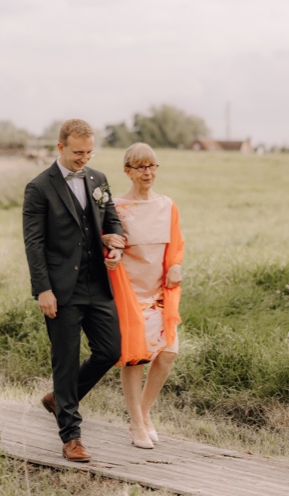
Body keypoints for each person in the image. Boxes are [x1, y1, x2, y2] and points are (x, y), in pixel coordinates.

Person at [23, 119, 126, 462]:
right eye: (78, 152)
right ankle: (71, 436)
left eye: (89, 151)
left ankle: (58, 399)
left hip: (98, 283)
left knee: (110, 350)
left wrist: (116, 244)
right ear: (60, 147)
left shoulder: (98, 180)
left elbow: (112, 221)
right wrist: (43, 290)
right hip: (61, 288)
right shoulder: (39, 187)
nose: (84, 158)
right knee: (64, 362)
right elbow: (34, 244)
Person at [108, 143, 184, 450]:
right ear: (127, 171)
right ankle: (136, 423)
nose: (147, 172)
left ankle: (144, 412)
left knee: (168, 354)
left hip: (160, 292)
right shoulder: (115, 207)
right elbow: (108, 243)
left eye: (152, 166)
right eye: (140, 167)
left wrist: (176, 265)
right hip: (129, 292)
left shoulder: (167, 205)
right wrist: (111, 255)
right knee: (135, 359)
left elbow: (176, 245)